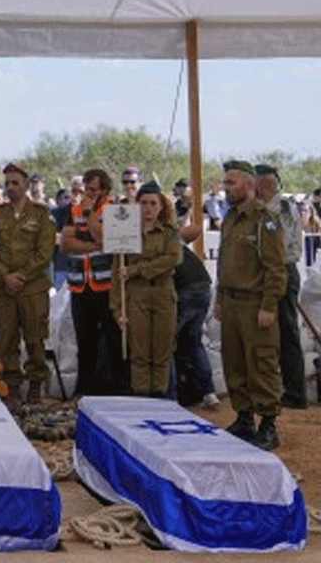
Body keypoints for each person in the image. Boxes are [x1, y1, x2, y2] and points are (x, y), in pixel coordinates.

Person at [218, 160, 287, 451]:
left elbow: (276, 268)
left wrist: (269, 305)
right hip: (231, 302)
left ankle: (268, 424)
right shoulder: (231, 218)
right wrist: (219, 299)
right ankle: (244, 418)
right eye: (225, 183)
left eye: (231, 183)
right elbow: (223, 263)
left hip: (255, 304)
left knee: (262, 362)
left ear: (249, 185)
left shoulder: (265, 220)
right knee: (234, 362)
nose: (226, 188)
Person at [0, 164, 56, 409]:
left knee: (35, 339)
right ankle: (12, 388)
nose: (11, 187)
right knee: (7, 339)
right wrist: (5, 276)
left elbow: (45, 252)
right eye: (7, 183)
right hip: (4, 289)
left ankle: (35, 387)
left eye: (15, 183)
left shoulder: (40, 214)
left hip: (32, 288)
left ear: (26, 185)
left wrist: (21, 276)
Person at [111, 181, 182, 398]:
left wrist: (137, 269)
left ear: (161, 207)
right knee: (139, 354)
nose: (148, 208)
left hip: (163, 293)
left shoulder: (169, 233)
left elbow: (173, 259)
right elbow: (117, 272)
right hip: (136, 296)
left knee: (162, 352)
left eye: (153, 203)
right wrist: (117, 307)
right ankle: (141, 400)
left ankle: (159, 399)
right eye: (143, 203)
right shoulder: (125, 234)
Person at [61, 168, 126, 396]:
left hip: (106, 285)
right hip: (80, 285)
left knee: (113, 337)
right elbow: (66, 243)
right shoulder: (74, 209)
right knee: (84, 340)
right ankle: (84, 388)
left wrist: (90, 217)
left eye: (93, 190)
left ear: (104, 190)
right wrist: (93, 244)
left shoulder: (114, 210)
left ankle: (117, 387)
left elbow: (107, 239)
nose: (88, 194)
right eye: (86, 189)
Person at [255, 164, 307, 409]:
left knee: (287, 333)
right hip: (275, 272)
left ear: (264, 185)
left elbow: (278, 247)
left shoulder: (281, 209)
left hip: (283, 270)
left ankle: (295, 392)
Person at [172, 209, 219, 409]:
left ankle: (172, 395)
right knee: (193, 342)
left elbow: (196, 228)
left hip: (185, 288)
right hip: (203, 285)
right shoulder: (170, 238)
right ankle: (209, 392)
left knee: (168, 342)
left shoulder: (160, 239)